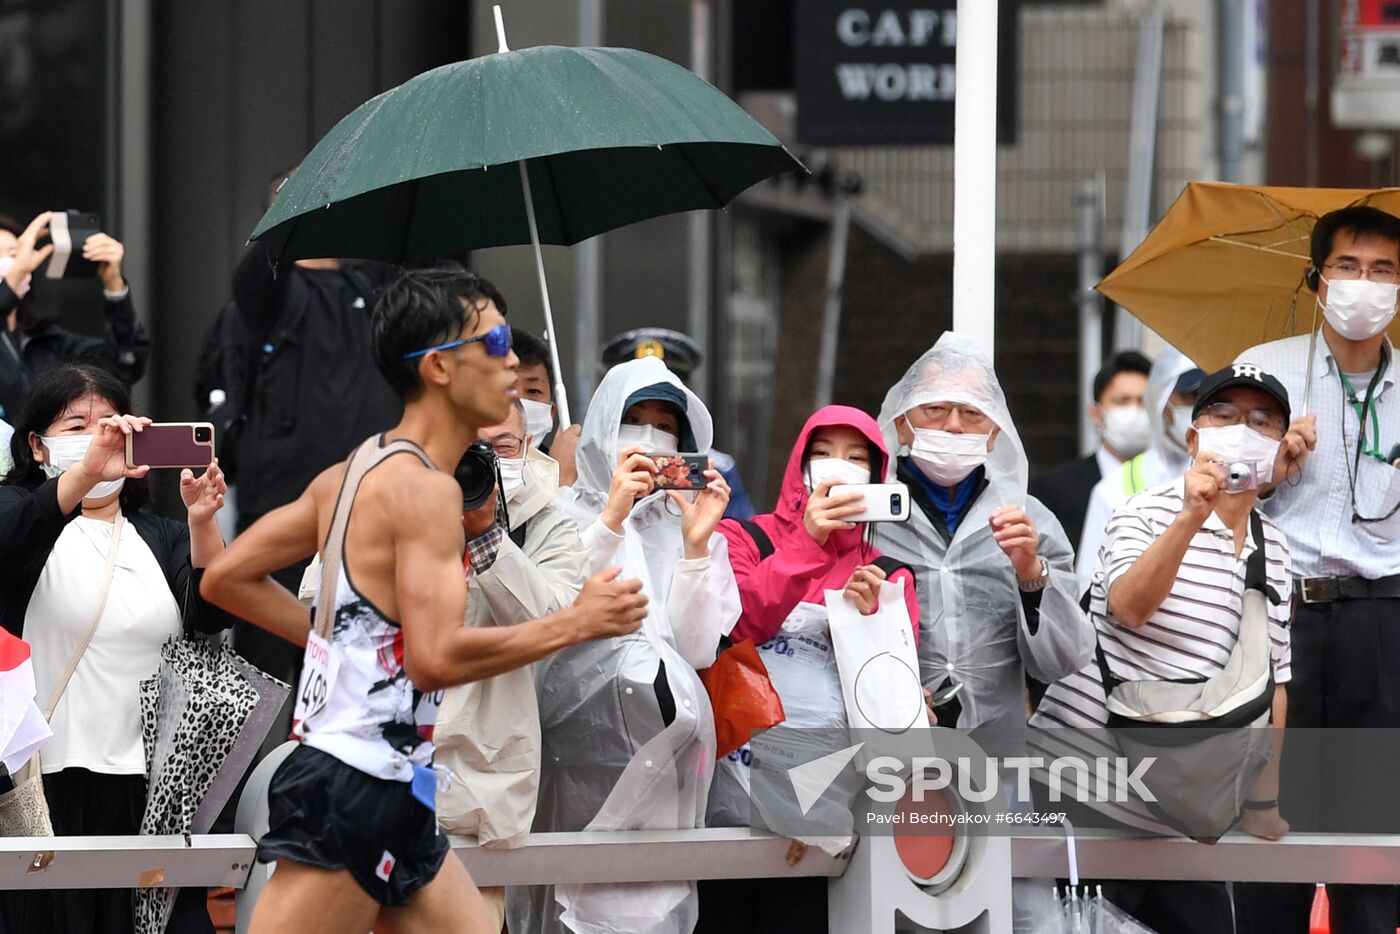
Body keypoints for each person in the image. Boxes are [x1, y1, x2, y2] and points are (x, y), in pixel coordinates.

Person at [201, 265, 649, 933]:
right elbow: (433, 658)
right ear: (439, 367)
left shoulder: (350, 471)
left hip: (403, 789)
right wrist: (575, 622)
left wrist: (341, 644)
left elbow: (226, 576)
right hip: (350, 788)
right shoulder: (425, 489)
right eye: (495, 347)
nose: (512, 370)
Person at [1033, 364, 1303, 933]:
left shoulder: (1275, 547)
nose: (1241, 430)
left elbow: (1274, 682)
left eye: (1261, 421)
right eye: (1224, 416)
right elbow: (1128, 608)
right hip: (1085, 789)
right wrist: (1189, 517)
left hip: (1182, 805)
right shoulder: (1140, 510)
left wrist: (1261, 806)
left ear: (1279, 447)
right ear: (1192, 437)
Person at [509, 355, 740, 934]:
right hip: (576, 754)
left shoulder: (690, 527)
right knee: (567, 899)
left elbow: (697, 649)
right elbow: (550, 612)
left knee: (651, 903)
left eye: (665, 425)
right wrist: (610, 519)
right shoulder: (558, 514)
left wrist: (693, 550)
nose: (651, 437)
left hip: (670, 761)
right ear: (607, 424)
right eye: (636, 419)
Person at [0, 363, 234, 934]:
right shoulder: (19, 513)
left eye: (111, 424)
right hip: (45, 782)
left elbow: (212, 612)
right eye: (77, 425)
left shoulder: (160, 533)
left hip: (150, 785)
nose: (98, 438)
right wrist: (84, 473)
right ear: (36, 444)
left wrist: (203, 521)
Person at [1230, 205, 1400, 934]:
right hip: (1280, 620)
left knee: (1371, 843)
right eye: (1349, 267)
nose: (1365, 285)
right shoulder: (1263, 373)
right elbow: (1206, 495)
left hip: (1381, 624)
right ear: (1316, 278)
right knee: (1269, 831)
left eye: (1384, 271)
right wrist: (1270, 469)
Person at [697, 404, 920, 934]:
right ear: (800, 467)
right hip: (725, 804)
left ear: (875, 475)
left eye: (855, 458)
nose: (837, 467)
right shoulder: (743, 538)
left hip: (823, 821)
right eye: (822, 454)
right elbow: (743, 622)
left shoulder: (890, 575)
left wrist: (872, 621)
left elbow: (893, 705)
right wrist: (808, 543)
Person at [223, 166, 402, 696]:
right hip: (284, 507)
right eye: (301, 199)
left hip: (371, 504)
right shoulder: (270, 288)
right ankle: (254, 781)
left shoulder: (375, 283)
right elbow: (252, 281)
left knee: (364, 667)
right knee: (267, 674)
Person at [0, 212, 151, 424]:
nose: (9, 264)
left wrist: (113, 282)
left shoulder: (44, 341)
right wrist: (15, 275)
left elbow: (124, 363)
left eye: (14, 254)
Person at [1075, 348, 1205, 593]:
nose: (1195, 408)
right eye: (1185, 397)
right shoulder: (1113, 488)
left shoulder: (1225, 477)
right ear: (1159, 403)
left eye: (1202, 397)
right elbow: (1088, 586)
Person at [597, 327, 757, 518]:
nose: (647, 435)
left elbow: (739, 535)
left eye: (664, 426)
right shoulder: (586, 466)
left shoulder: (712, 472)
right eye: (632, 419)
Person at [1030, 350, 1152, 552]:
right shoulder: (1054, 489)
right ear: (1096, 413)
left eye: (1143, 402)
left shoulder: (1174, 483)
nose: (1134, 411)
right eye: (1122, 401)